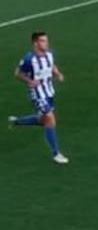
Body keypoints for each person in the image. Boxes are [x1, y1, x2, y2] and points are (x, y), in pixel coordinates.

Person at [9, 31, 68, 164]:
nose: (46, 43)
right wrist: (29, 81)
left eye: (46, 40)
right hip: (37, 94)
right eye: (43, 41)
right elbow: (17, 73)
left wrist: (57, 73)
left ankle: (17, 121)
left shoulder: (49, 54)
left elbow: (51, 64)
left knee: (43, 120)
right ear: (35, 43)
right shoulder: (29, 59)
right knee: (50, 119)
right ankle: (56, 153)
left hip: (49, 92)